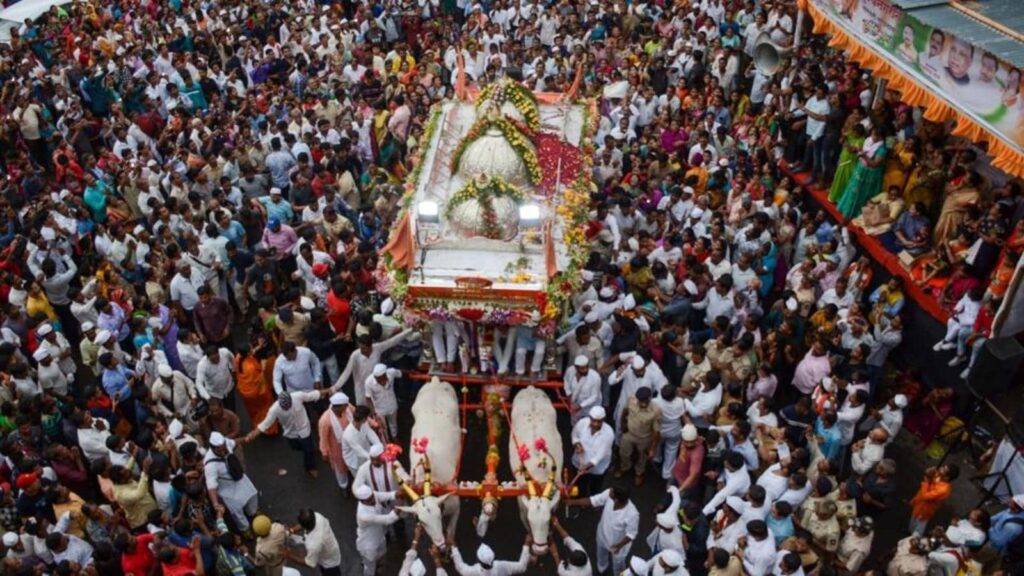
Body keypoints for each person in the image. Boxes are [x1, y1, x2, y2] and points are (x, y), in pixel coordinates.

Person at [242, 389, 330, 477]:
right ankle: (308, 449)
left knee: (308, 450)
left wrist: (329, 390)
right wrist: (252, 434)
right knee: (295, 447)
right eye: (285, 407)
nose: (288, 408)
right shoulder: (274, 410)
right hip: (291, 433)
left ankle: (310, 467)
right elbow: (264, 424)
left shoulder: (298, 396)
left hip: (304, 429)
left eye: (289, 406)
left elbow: (313, 394)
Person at [566, 486, 640, 575]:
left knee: (618, 565)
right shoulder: (609, 494)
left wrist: (619, 546)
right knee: (601, 556)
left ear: (616, 500)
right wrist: (572, 502)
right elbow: (593, 501)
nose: (610, 491)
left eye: (612, 492)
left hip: (618, 545)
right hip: (602, 535)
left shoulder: (632, 514)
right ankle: (602, 568)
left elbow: (631, 534)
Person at [204, 432, 258, 531]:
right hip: (228, 489)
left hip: (240, 479)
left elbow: (234, 442)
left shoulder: (225, 443)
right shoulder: (210, 466)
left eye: (224, 449)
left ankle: (253, 512)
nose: (223, 452)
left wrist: (246, 438)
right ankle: (245, 528)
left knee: (252, 495)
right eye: (219, 451)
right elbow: (211, 486)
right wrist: (215, 504)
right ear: (212, 448)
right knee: (237, 511)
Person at [353, 484, 400, 576]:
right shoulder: (363, 515)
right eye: (370, 500)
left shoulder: (371, 495)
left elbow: (384, 495)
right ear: (362, 501)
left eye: (372, 497)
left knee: (382, 555)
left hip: (379, 536)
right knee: (370, 568)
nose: (374, 500)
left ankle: (377, 567)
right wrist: (398, 508)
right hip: (368, 545)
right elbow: (388, 519)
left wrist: (396, 494)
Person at [570, 406, 615, 497]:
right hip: (579, 463)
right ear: (589, 417)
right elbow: (574, 435)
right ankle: (580, 498)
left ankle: (593, 500)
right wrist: (577, 445)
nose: (595, 424)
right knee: (580, 484)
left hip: (597, 469)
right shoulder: (582, 423)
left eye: (599, 421)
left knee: (595, 486)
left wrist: (585, 467)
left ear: (603, 420)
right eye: (593, 420)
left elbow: (598, 457)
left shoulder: (609, 433)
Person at [319, 392, 355, 493]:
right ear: (338, 407)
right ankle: (343, 486)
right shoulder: (325, 420)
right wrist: (324, 452)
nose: (347, 407)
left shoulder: (348, 409)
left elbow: (357, 415)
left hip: (352, 443)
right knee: (340, 468)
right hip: (337, 448)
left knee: (354, 462)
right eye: (345, 405)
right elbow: (323, 438)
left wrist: (373, 424)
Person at [909, 464, 959, 536]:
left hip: (925, 510)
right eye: (943, 467)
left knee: (919, 527)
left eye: (943, 470)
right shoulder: (938, 475)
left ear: (947, 477)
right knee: (913, 519)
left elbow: (925, 496)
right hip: (919, 503)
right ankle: (909, 531)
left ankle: (914, 538)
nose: (940, 469)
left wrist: (926, 480)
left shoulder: (944, 490)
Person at [291, 508, 342, 576]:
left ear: (305, 526)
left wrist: (288, 555)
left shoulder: (314, 544)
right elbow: (303, 524)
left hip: (330, 565)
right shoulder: (317, 516)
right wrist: (291, 530)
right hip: (329, 552)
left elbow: (309, 563)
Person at [451, 540, 531, 575]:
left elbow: (460, 567)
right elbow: (522, 567)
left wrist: (454, 547)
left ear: (479, 560)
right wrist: (526, 544)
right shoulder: (502, 566)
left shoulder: (474, 572)